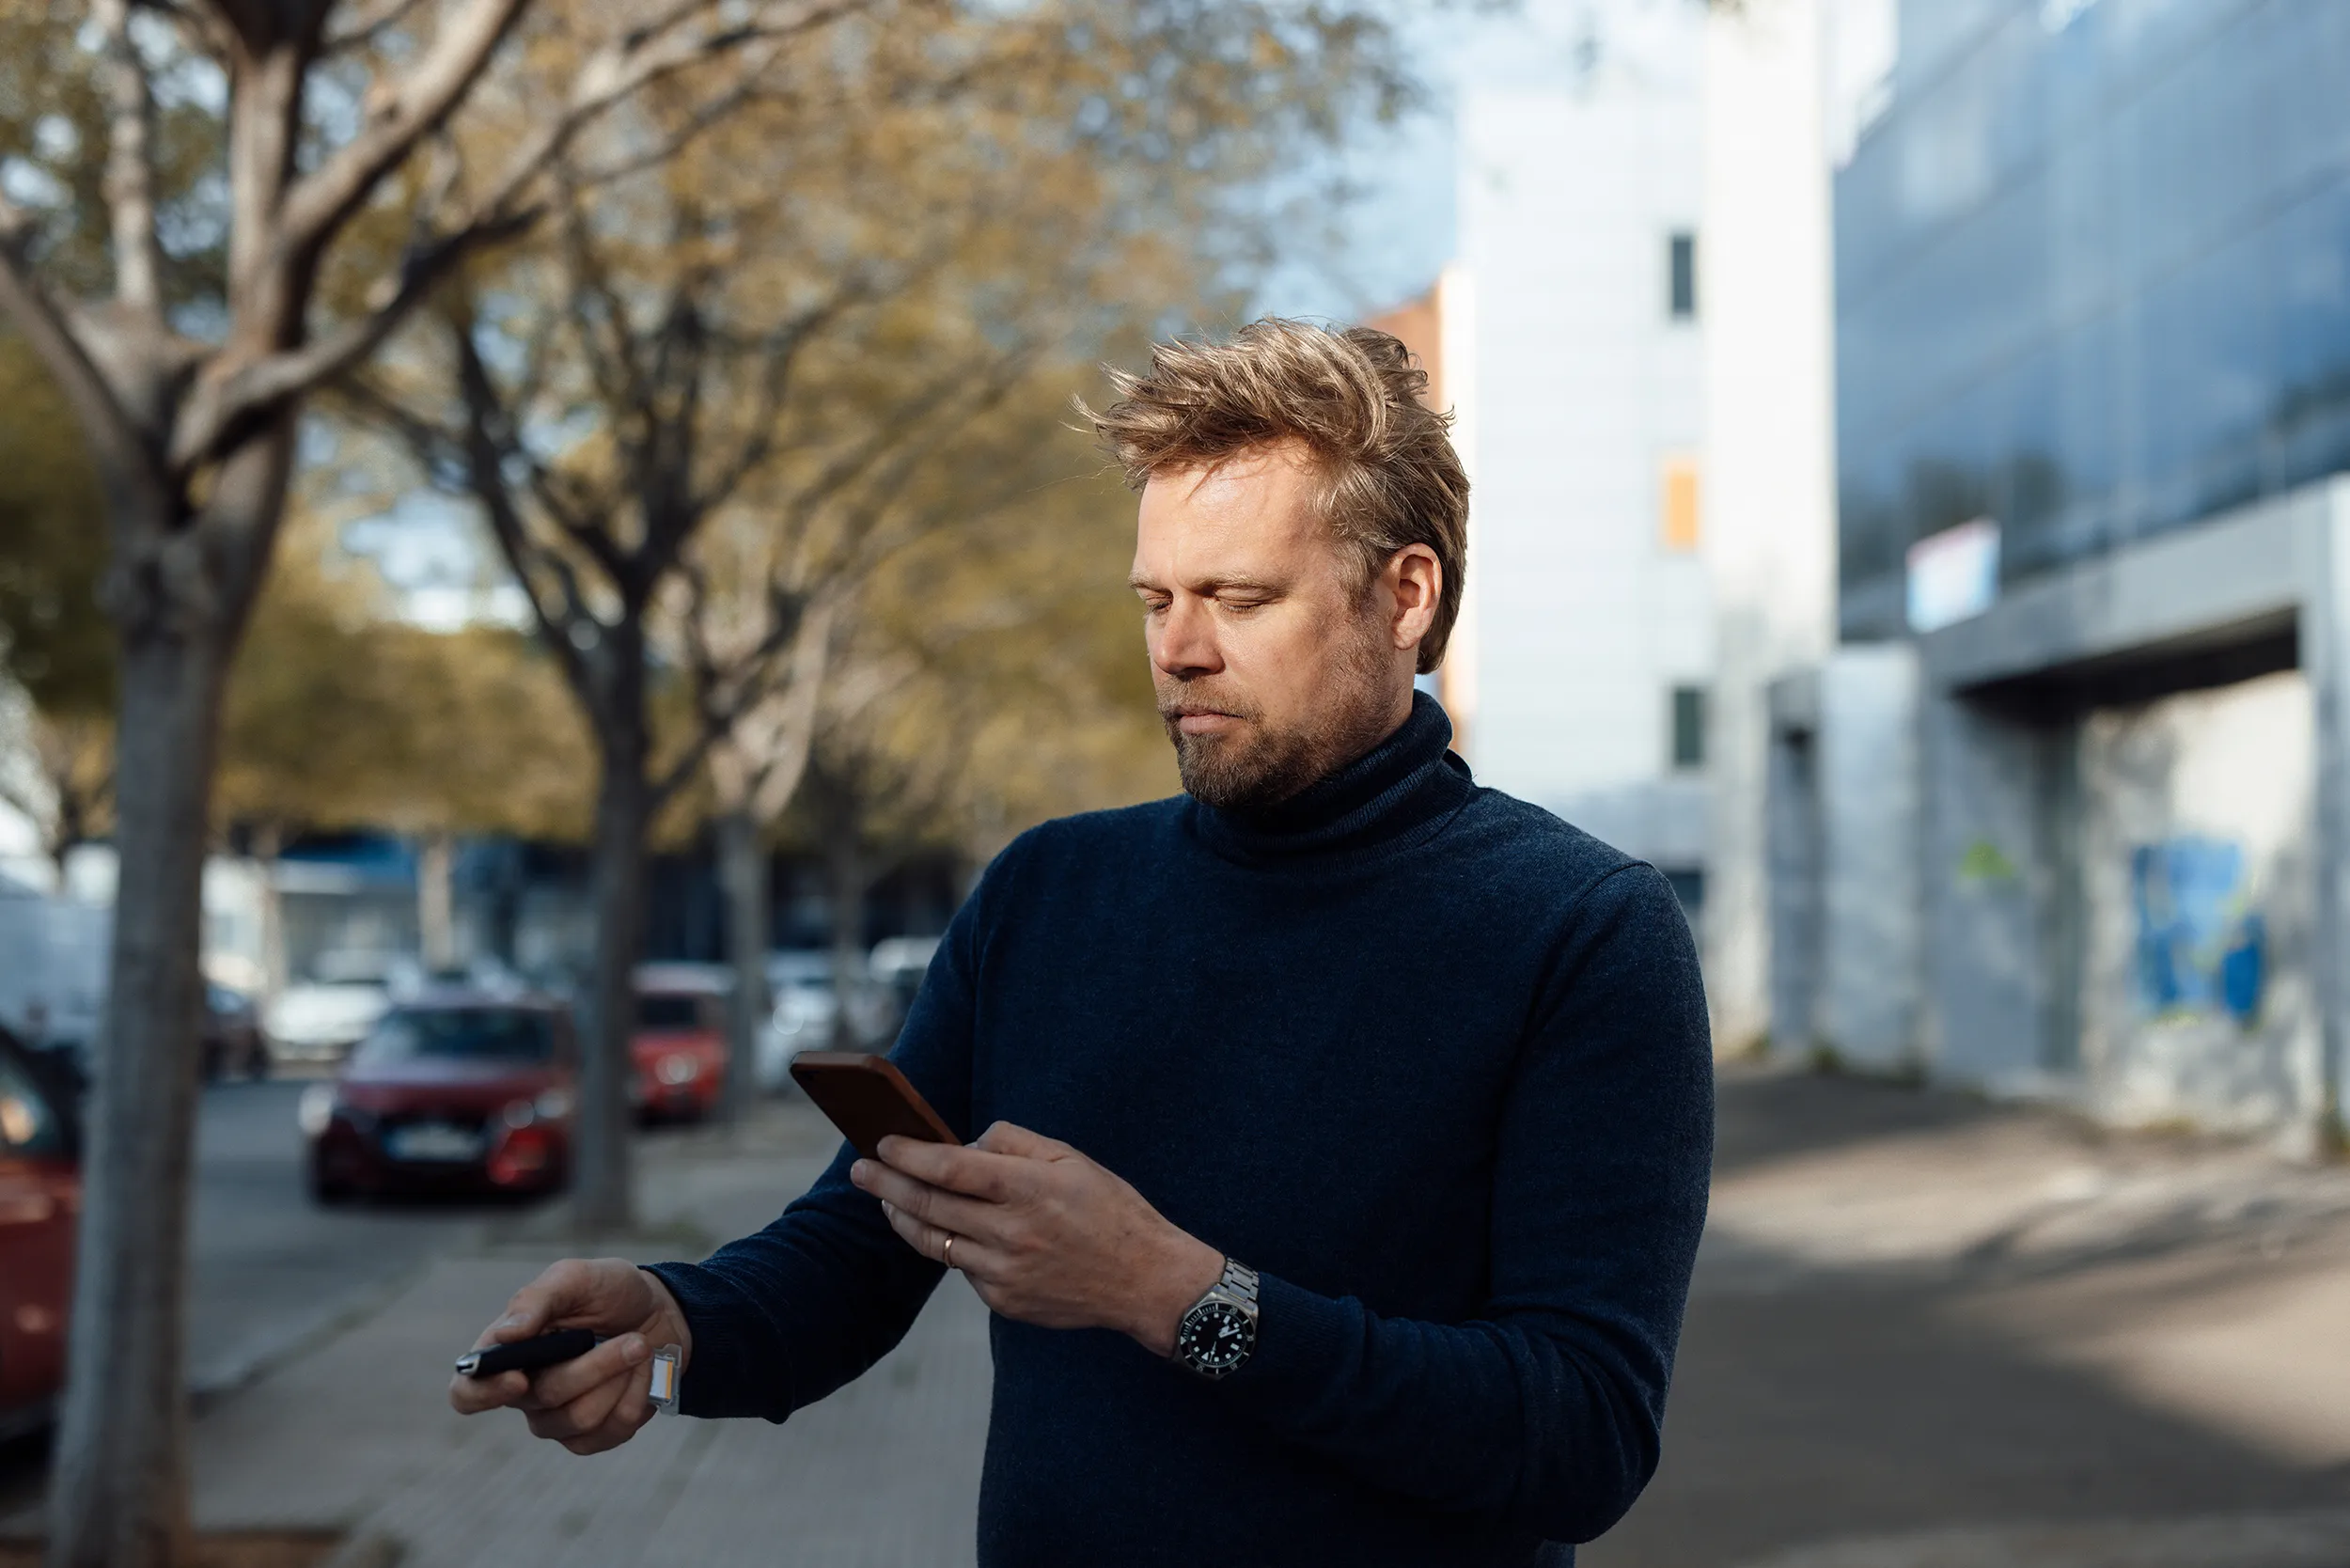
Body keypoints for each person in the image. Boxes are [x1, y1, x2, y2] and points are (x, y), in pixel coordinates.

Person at [450, 319, 1715, 1567]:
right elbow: (860, 1245)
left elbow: (1582, 1435)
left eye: (1240, 597)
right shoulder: (1048, 892)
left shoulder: (1584, 929)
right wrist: (677, 1319)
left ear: (1406, 593)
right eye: (1157, 598)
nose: (1178, 649)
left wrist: (1172, 1294)